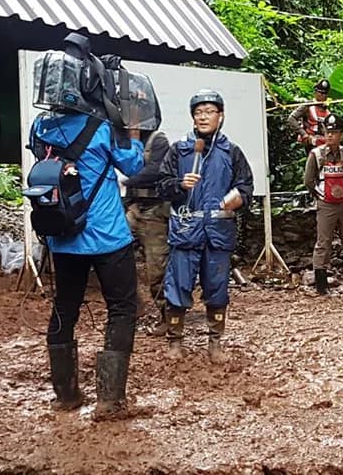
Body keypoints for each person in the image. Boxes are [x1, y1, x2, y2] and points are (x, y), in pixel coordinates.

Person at [31, 104, 144, 413]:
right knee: (121, 308)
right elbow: (133, 165)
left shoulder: (40, 126)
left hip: (64, 237)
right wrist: (133, 130)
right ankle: (109, 400)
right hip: (106, 235)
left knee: (64, 310)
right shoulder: (102, 128)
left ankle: (66, 396)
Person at [157, 90, 253, 363]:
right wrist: (178, 185)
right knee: (177, 285)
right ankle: (175, 341)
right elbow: (161, 186)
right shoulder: (179, 150)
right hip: (186, 231)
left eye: (209, 111)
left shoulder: (231, 152)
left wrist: (238, 199)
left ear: (220, 117)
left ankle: (215, 342)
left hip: (219, 233)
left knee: (217, 287)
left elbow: (246, 186)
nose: (203, 117)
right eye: (198, 112)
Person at [303, 113, 343, 294]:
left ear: (341, 135)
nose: (330, 136)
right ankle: (321, 285)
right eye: (328, 132)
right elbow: (308, 180)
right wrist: (321, 196)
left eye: (335, 132)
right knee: (323, 242)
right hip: (326, 204)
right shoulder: (317, 154)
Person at [123, 129, 171, 335]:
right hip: (133, 207)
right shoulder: (119, 139)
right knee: (114, 256)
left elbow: (155, 172)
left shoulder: (157, 140)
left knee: (157, 267)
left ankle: (169, 316)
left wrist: (125, 182)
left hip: (154, 209)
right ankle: (132, 305)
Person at [287, 79, 331, 151]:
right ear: (316, 92)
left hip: (323, 142)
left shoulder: (326, 109)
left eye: (325, 93)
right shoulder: (308, 106)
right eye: (321, 93)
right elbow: (291, 118)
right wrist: (303, 134)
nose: (323, 95)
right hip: (310, 142)